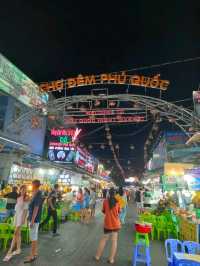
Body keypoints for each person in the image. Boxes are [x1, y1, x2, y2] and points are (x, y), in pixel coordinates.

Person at [3, 185, 29, 262]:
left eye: (25, 189)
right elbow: (17, 209)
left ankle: (10, 251)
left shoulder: (26, 198)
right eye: (22, 189)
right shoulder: (18, 198)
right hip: (17, 216)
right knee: (18, 234)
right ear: (20, 190)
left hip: (21, 218)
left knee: (15, 233)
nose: (23, 191)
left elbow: (25, 210)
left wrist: (23, 219)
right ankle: (18, 248)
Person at [95, 188, 121, 264]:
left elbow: (103, 211)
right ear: (115, 194)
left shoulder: (105, 201)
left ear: (109, 193)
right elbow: (119, 212)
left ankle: (97, 256)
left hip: (107, 224)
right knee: (114, 241)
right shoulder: (118, 202)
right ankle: (111, 259)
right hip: (116, 224)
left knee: (103, 240)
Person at [24, 180, 43, 264]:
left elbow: (36, 208)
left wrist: (32, 220)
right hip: (33, 218)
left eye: (32, 184)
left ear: (34, 185)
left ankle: (31, 256)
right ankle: (34, 253)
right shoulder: (35, 193)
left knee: (33, 238)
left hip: (34, 220)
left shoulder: (38, 194)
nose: (31, 186)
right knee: (34, 237)